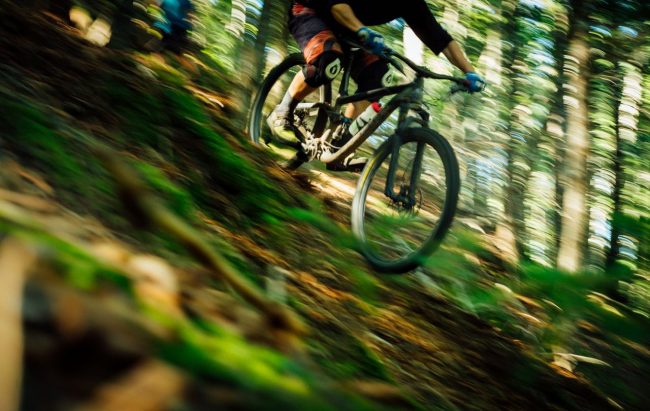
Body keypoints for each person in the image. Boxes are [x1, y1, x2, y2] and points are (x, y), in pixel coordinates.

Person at [268, 0, 485, 171]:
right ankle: (283, 111)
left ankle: (339, 146)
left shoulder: (412, 4)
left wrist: (470, 72)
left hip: (349, 26)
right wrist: (362, 30)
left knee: (379, 78)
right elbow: (336, 4)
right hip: (312, 10)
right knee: (328, 64)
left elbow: (441, 39)